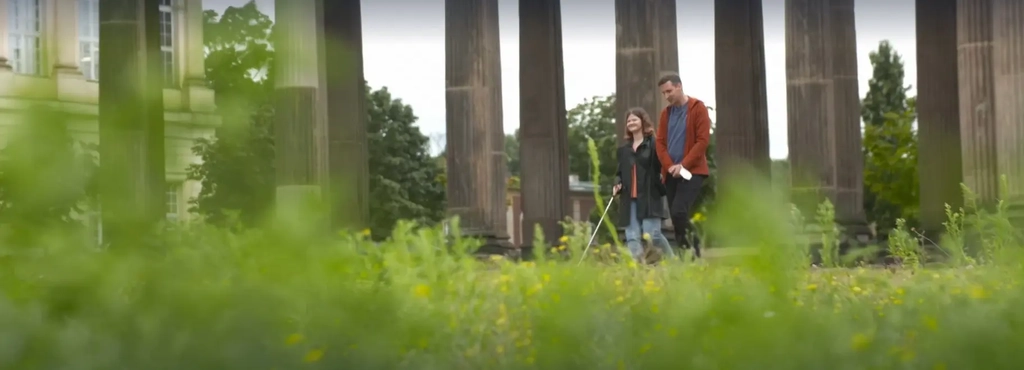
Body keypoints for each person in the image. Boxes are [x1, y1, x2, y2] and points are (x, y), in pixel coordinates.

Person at [654, 73, 710, 259]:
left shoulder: (697, 108)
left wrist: (683, 165)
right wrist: (669, 166)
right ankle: (685, 256)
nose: (666, 96)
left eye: (669, 91)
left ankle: (694, 252)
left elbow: (702, 141)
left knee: (679, 211)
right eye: (663, 93)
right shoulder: (666, 114)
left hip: (692, 171)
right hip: (671, 173)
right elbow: (660, 143)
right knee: (677, 217)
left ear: (679, 86)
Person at [613, 107, 674, 263]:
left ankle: (673, 262)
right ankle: (639, 270)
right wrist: (617, 184)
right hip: (629, 198)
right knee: (632, 237)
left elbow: (664, 165)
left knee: (652, 236)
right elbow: (619, 173)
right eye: (629, 121)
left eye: (634, 119)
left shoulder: (654, 144)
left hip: (649, 196)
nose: (631, 122)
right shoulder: (624, 150)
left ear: (643, 121)